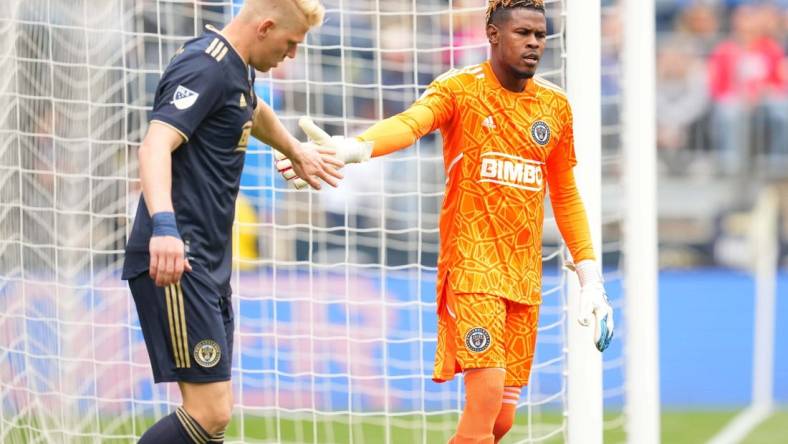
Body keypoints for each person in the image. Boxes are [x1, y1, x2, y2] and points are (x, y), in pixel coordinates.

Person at [278, 1, 614, 442]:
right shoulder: (459, 88)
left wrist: (590, 276)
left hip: (523, 275)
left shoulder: (554, 107)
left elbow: (565, 194)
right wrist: (355, 147)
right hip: (472, 266)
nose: (534, 43)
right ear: (493, 34)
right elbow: (410, 123)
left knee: (501, 421)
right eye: (522, 33)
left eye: (540, 35)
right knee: (486, 393)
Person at [121, 1, 342, 442]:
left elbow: (251, 108)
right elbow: (154, 146)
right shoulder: (205, 67)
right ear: (264, 27)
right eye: (291, 43)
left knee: (211, 423)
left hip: (206, 260)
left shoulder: (236, 69)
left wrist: (294, 149)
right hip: (178, 257)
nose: (293, 54)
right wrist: (164, 228)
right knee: (209, 414)